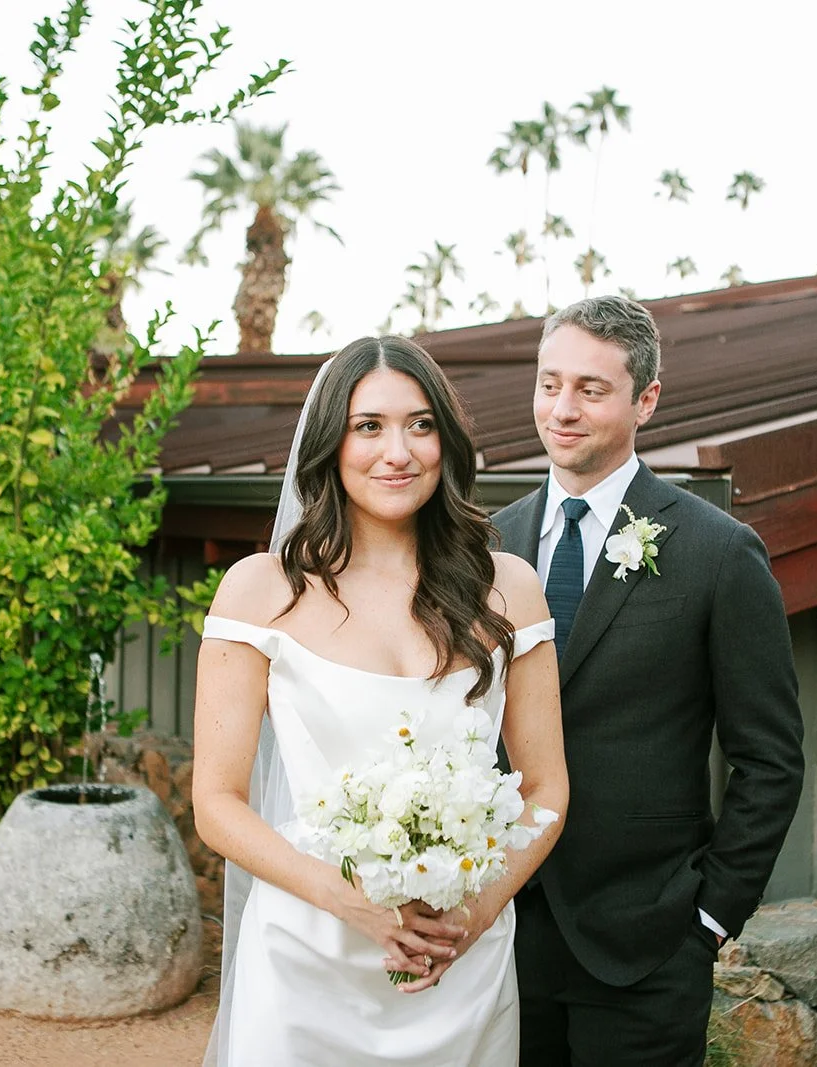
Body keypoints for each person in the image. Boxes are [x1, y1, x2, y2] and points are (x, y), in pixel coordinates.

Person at [192, 335, 568, 1066]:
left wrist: (474, 912)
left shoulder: (509, 588)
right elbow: (216, 801)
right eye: (369, 426)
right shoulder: (261, 590)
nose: (398, 450)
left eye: (420, 424)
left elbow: (547, 787)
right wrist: (351, 902)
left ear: (446, 441)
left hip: (458, 959)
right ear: (331, 442)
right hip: (306, 958)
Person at [492, 295, 805, 1066]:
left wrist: (708, 920)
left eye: (591, 389)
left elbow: (770, 759)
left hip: (647, 949)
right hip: (501, 937)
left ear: (646, 401)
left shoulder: (718, 552)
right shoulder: (488, 547)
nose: (562, 409)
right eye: (548, 383)